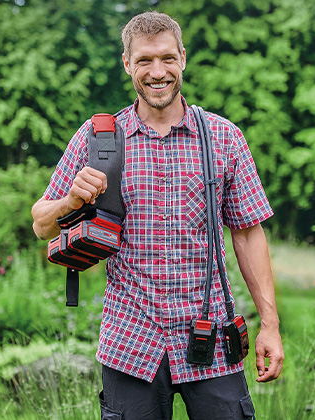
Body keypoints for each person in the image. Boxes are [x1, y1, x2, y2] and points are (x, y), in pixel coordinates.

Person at [31, 11, 283, 420]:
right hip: (131, 341)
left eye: (167, 58)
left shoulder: (224, 137)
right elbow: (41, 223)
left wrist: (269, 325)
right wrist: (68, 202)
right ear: (127, 64)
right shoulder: (99, 137)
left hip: (211, 337)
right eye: (145, 60)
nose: (158, 72)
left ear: (183, 58)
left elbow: (248, 234)